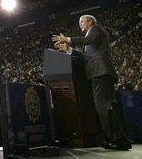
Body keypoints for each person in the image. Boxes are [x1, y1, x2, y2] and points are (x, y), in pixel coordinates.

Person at [52, 15, 131, 150]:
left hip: (100, 72)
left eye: (82, 22)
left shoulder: (96, 30)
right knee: (108, 106)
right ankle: (117, 139)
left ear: (90, 22)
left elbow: (88, 40)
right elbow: (84, 56)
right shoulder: (89, 41)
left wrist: (68, 39)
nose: (80, 24)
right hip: (99, 74)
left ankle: (119, 140)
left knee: (103, 106)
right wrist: (68, 50)